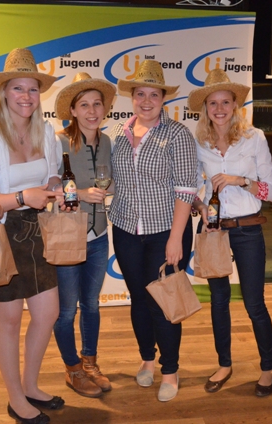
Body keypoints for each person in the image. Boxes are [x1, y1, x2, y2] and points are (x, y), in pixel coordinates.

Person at [0, 48, 63, 424]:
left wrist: (55, 188)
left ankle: (30, 385)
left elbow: (54, 175)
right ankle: (15, 398)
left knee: (48, 313)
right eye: (18, 88)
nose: (26, 96)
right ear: (4, 92)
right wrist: (23, 197)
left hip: (40, 229)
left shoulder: (47, 132)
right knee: (9, 321)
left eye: (32, 89)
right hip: (2, 233)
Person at [109, 59, 197, 402]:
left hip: (165, 231)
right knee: (139, 298)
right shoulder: (119, 134)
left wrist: (176, 238)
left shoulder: (177, 134)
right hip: (126, 229)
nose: (146, 101)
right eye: (140, 94)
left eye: (154, 95)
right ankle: (147, 358)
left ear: (164, 98)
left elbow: (185, 189)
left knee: (163, 302)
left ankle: (170, 370)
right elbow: (116, 181)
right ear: (132, 97)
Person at [188, 69, 272, 396]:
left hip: (248, 228)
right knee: (218, 301)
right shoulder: (198, 142)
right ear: (205, 108)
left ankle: (268, 368)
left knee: (254, 303)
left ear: (235, 104)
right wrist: (200, 205)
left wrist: (240, 180)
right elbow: (192, 188)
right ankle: (224, 364)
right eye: (213, 103)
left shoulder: (254, 138)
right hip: (213, 229)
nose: (219, 108)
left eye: (225, 102)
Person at [52, 72, 117, 398]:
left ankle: (90, 362)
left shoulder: (107, 142)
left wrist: (110, 188)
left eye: (97, 104)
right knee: (66, 311)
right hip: (66, 234)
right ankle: (72, 368)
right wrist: (79, 193)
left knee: (91, 304)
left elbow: (110, 182)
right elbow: (49, 188)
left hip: (98, 235)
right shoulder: (58, 142)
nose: (92, 111)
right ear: (73, 110)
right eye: (84, 105)